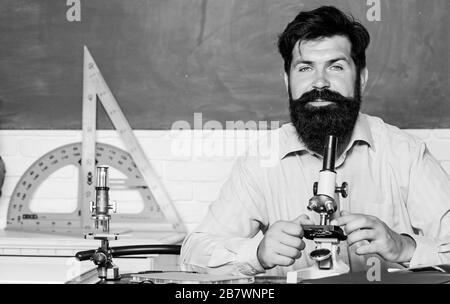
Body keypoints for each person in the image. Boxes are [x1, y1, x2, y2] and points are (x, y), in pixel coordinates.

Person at [179, 5, 450, 277]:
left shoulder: (405, 154)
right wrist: (257, 253)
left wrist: (404, 247)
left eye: (336, 66)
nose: (319, 82)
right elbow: (193, 254)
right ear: (287, 81)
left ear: (362, 78)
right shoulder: (262, 160)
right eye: (306, 68)